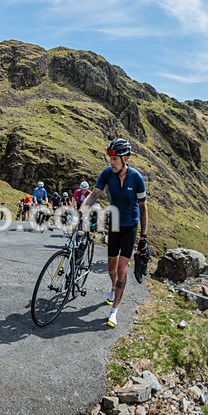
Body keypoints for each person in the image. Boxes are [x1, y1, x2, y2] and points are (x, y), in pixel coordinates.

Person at [80, 138, 148, 328]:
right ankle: (113, 287)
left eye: (115, 159)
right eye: (110, 159)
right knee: (111, 268)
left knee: (121, 270)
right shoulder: (107, 174)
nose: (111, 163)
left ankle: (114, 310)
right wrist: (81, 211)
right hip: (115, 224)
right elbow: (94, 194)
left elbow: (143, 208)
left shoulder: (136, 178)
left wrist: (144, 236)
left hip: (130, 227)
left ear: (125, 158)